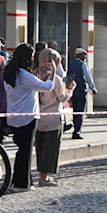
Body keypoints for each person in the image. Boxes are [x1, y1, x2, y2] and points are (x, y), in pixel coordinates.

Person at [5, 44, 54, 190]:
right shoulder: (24, 75)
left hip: (14, 114)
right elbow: (47, 87)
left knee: (22, 150)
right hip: (28, 116)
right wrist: (53, 72)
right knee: (25, 151)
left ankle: (19, 180)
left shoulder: (9, 73)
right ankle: (21, 183)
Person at [34, 48, 74, 186]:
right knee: (51, 149)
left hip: (40, 117)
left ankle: (41, 174)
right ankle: (44, 177)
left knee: (40, 147)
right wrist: (71, 90)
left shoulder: (35, 76)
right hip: (53, 117)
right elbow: (62, 98)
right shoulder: (55, 78)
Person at [67, 47, 97, 140]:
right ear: (80, 55)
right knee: (80, 111)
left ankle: (76, 130)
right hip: (81, 90)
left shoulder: (71, 64)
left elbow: (67, 77)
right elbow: (88, 77)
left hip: (73, 91)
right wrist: (93, 87)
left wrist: (68, 88)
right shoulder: (83, 64)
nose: (86, 56)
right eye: (84, 54)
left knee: (75, 111)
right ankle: (77, 131)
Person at [47, 40, 72, 132]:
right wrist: (70, 90)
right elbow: (61, 73)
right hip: (54, 86)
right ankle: (63, 123)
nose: (56, 48)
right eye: (55, 46)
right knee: (59, 104)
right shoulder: (55, 58)